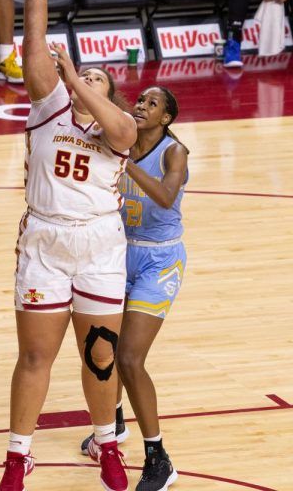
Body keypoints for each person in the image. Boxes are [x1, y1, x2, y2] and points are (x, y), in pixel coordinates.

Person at [0, 0, 138, 491]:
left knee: (98, 354)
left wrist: (81, 79)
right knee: (35, 356)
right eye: (84, 77)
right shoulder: (49, 106)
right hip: (46, 242)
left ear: (109, 92)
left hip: (100, 244)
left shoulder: (119, 128)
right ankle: (17, 456)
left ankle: (107, 443)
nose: (87, 81)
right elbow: (35, 46)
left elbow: (121, 126)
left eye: (101, 79)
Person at [79, 86, 188, 491]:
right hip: (116, 254)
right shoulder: (117, 138)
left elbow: (163, 196)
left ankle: (159, 458)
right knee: (104, 348)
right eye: (140, 100)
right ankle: (116, 418)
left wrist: (127, 164)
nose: (142, 106)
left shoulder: (174, 153)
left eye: (153, 104)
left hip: (159, 260)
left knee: (128, 358)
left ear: (166, 119)